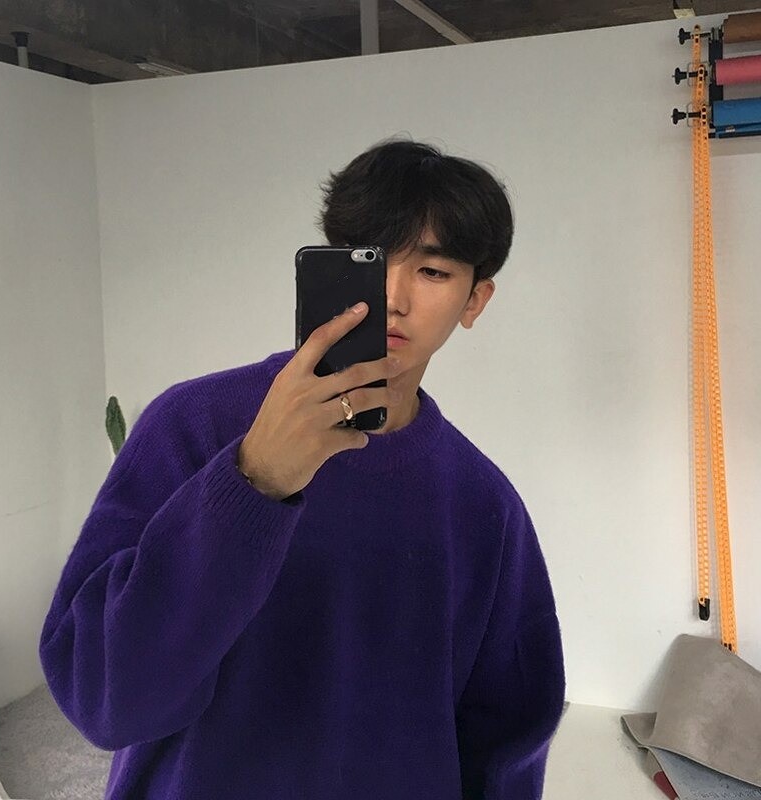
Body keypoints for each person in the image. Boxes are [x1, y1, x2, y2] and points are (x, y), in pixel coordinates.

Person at [39, 136, 565, 799]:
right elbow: (103, 698)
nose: (394, 296)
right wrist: (251, 481)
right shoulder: (192, 426)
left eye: (432, 271)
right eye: (368, 260)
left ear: (475, 301)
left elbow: (508, 736)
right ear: (326, 267)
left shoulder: (482, 502)